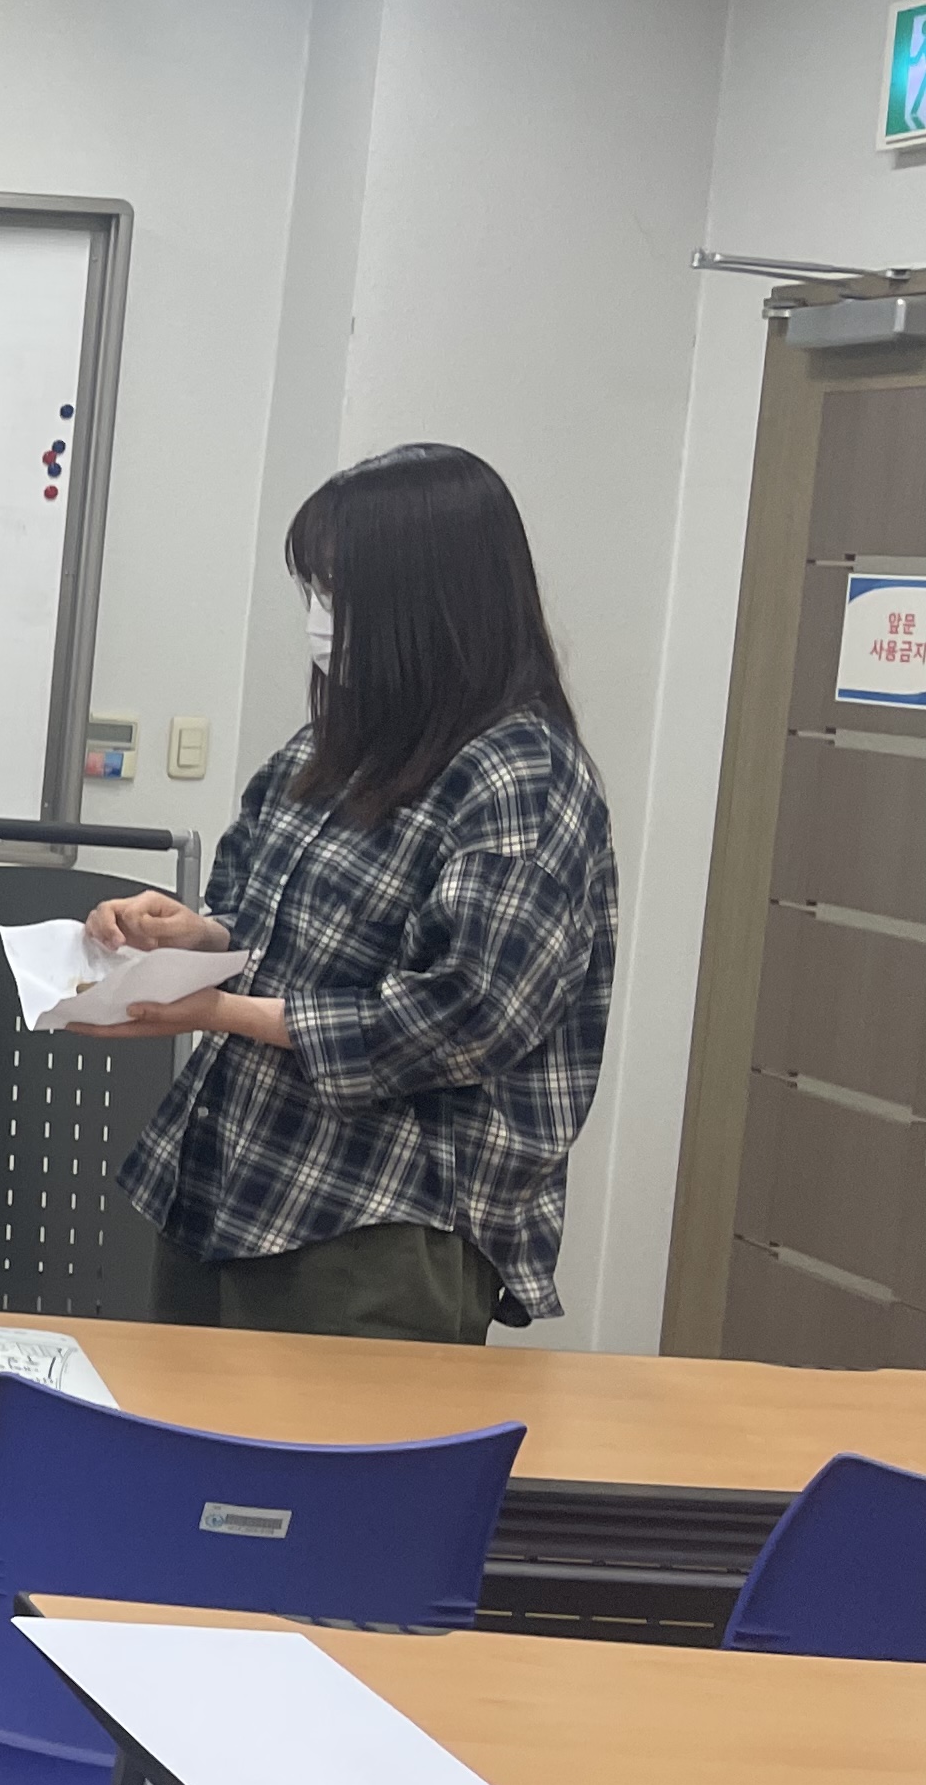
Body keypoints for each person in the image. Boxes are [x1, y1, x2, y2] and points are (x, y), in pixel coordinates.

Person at [92, 443, 615, 1341]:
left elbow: (468, 1015)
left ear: (429, 601)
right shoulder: (333, 745)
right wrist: (191, 938)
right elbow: (263, 925)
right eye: (313, 592)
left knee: (322, 1439)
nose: (320, 621)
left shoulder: (520, 773)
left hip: (380, 1222)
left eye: (339, 593)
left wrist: (221, 1011)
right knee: (174, 1429)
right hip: (234, 1179)